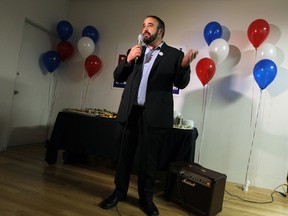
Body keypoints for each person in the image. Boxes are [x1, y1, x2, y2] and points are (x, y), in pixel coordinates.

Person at [100, 15, 198, 216]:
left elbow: (181, 83)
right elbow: (118, 76)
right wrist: (127, 60)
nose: (145, 29)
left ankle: (146, 199)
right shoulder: (135, 51)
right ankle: (119, 193)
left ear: (160, 31)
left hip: (154, 116)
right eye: (143, 25)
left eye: (150, 25)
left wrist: (184, 66)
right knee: (124, 157)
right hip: (130, 113)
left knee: (148, 160)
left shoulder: (173, 55)